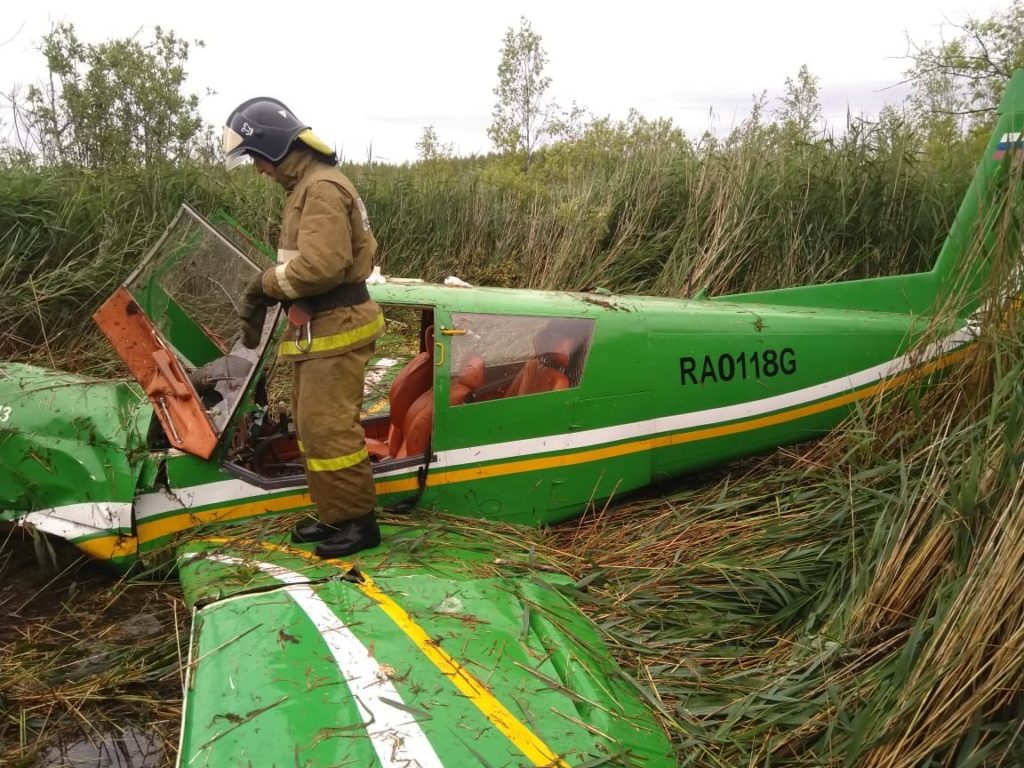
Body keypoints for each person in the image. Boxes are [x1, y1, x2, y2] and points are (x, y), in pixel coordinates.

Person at [222, 97, 385, 559]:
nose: (259, 170)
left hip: (337, 326)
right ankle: (335, 512)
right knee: (312, 426)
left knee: (330, 428)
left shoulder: (321, 189)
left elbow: (321, 267)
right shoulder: (308, 187)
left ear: (274, 146)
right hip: (321, 328)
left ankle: (358, 523)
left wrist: (264, 285)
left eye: (257, 158)